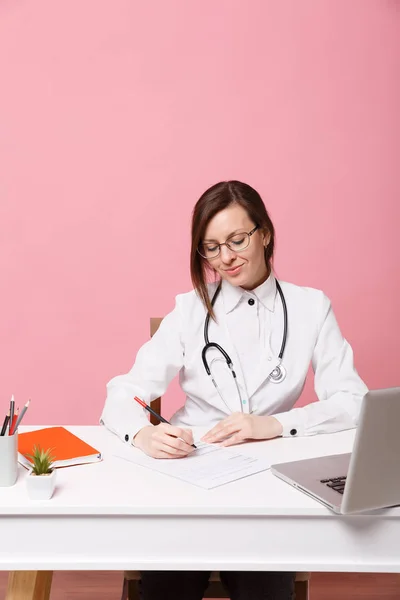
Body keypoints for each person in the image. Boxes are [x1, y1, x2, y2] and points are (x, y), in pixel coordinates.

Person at [100, 180, 368, 600]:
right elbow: (123, 391)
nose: (224, 257)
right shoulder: (189, 309)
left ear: (264, 233)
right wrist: (144, 433)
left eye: (236, 240)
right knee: (168, 585)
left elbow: (353, 402)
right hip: (188, 474)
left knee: (264, 586)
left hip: (269, 485)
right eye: (210, 247)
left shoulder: (311, 308)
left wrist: (275, 425)